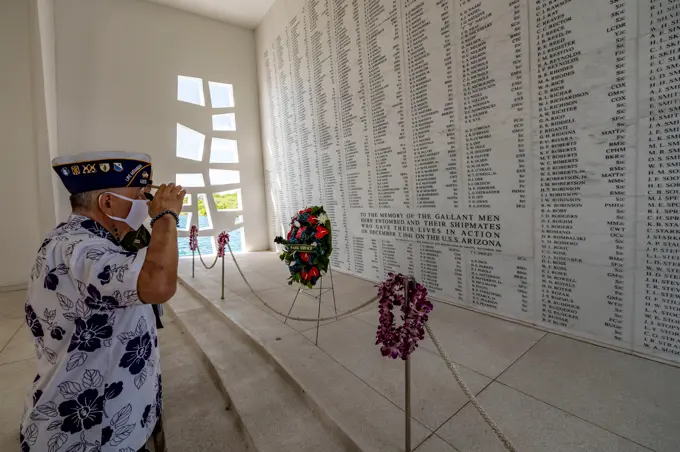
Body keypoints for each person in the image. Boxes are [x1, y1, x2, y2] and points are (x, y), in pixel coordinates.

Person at [19, 152, 185, 452]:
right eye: (140, 196)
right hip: (92, 433)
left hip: (110, 415)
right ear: (107, 203)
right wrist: (165, 217)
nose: (147, 205)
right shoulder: (82, 249)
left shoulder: (78, 239)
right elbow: (158, 285)